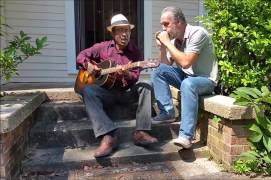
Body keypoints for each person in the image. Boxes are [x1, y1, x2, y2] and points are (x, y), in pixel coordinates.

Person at [76, 14, 158, 158]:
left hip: (126, 93)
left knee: (146, 85)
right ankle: (109, 136)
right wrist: (88, 65)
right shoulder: (102, 47)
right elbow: (81, 56)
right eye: (120, 30)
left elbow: (134, 78)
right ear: (113, 33)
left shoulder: (135, 52)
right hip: (107, 93)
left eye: (127, 30)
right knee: (87, 89)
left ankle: (141, 132)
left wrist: (126, 73)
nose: (124, 34)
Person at [152, 7, 218, 149]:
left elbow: (186, 62)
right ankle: (167, 112)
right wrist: (163, 47)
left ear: (179, 22)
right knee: (158, 70)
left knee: (188, 84)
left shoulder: (198, 33)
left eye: (166, 24)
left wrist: (168, 43)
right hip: (187, 78)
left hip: (205, 80)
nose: (163, 29)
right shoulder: (175, 40)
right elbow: (165, 66)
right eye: (162, 25)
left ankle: (186, 136)